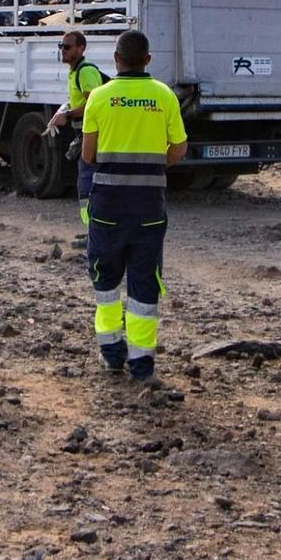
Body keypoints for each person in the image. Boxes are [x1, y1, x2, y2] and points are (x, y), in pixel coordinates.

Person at [80, 29, 187, 386]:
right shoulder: (164, 96)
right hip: (148, 208)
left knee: (106, 283)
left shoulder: (99, 97)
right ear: (148, 60)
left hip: (107, 206)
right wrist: (153, 165)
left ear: (115, 59)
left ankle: (111, 355)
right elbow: (178, 150)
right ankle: (142, 365)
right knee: (144, 284)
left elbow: (88, 155)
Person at [48, 30, 108, 227]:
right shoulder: (75, 71)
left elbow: (93, 104)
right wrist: (64, 109)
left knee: (88, 183)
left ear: (81, 48)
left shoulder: (85, 71)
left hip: (92, 135)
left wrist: (68, 115)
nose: (62, 50)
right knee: (87, 183)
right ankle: (92, 230)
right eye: (61, 46)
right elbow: (81, 100)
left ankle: (94, 231)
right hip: (87, 134)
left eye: (67, 47)